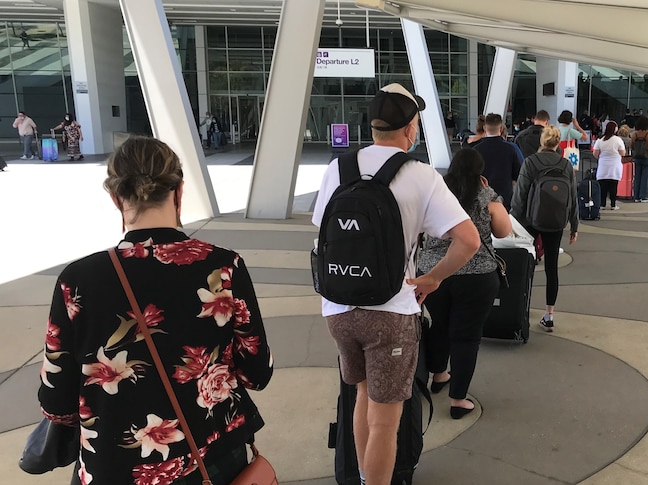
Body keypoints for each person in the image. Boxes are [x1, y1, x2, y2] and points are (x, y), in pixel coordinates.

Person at [37, 136, 274, 485]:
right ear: (179, 191)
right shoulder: (223, 267)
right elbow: (257, 373)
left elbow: (57, 401)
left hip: (115, 469)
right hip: (215, 460)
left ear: (116, 197)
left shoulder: (78, 280)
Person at [312, 83, 480, 485]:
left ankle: (360, 477)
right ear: (411, 129)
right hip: (390, 313)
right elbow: (469, 240)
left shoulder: (338, 168)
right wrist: (433, 278)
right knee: (386, 421)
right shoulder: (420, 175)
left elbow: (321, 233)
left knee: (360, 398)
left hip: (338, 310)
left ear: (373, 127)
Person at [418, 148, 512, 419]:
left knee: (440, 326)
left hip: (434, 273)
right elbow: (503, 231)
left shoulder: (436, 194)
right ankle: (458, 400)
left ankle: (439, 375)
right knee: (466, 335)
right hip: (477, 276)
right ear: (480, 172)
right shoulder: (486, 195)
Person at [510, 125, 579, 333]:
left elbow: (520, 195)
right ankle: (549, 315)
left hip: (531, 221)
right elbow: (573, 198)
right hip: (557, 222)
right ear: (558, 143)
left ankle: (522, 309)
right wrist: (574, 225)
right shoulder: (566, 165)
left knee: (526, 266)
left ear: (542, 142)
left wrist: (513, 221)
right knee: (551, 267)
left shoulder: (531, 162)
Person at [473, 113, 522, 210]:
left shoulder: (476, 150)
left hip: (481, 198)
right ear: (501, 129)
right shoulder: (510, 149)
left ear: (484, 128)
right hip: (504, 198)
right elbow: (517, 174)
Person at [592, 121, 626, 210]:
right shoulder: (618, 140)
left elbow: (595, 153)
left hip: (603, 165)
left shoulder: (600, 139)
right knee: (613, 186)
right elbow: (623, 153)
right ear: (615, 129)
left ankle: (602, 204)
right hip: (615, 166)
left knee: (603, 186)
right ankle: (613, 205)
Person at [632, 116, 648, 202]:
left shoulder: (635, 134)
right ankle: (643, 196)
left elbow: (631, 146)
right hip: (646, 157)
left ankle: (636, 196)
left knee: (637, 177)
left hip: (637, 157)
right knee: (644, 178)